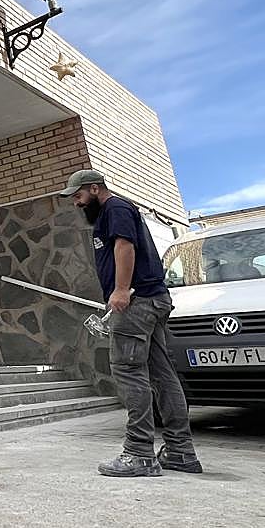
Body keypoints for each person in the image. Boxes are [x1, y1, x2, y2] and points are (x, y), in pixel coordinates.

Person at [59, 169, 202, 477]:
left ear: (95, 189)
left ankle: (139, 453)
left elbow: (125, 246)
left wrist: (122, 290)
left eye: (79, 196)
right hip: (149, 300)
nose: (76, 203)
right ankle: (180, 452)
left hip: (138, 302)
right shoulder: (111, 212)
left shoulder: (116, 208)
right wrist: (116, 292)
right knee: (163, 375)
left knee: (128, 371)